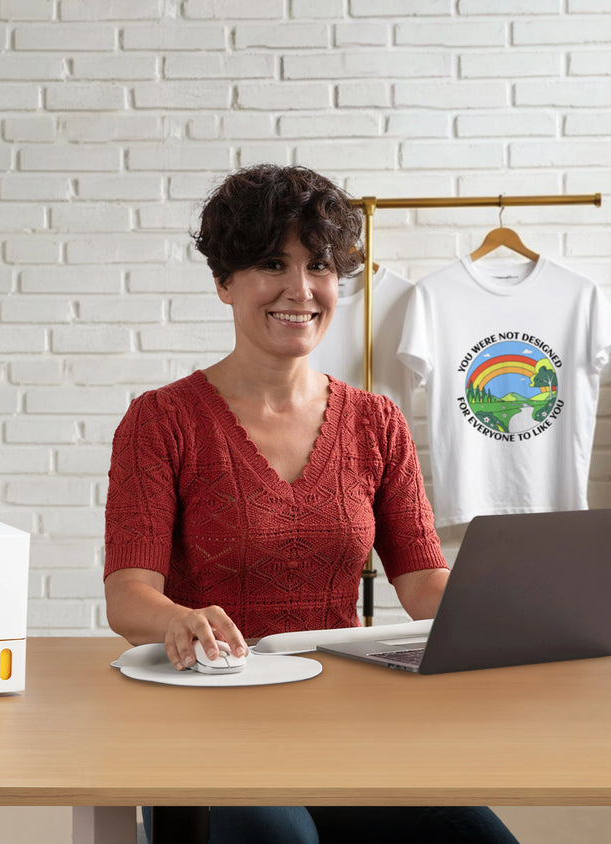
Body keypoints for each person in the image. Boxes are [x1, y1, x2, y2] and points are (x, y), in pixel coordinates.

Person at [103, 164, 520, 844]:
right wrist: (178, 618)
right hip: (208, 723)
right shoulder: (161, 421)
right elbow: (127, 597)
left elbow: (422, 582)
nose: (300, 290)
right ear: (224, 282)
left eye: (319, 265)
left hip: (343, 718)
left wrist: (509, 613)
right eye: (273, 264)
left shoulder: (377, 422)